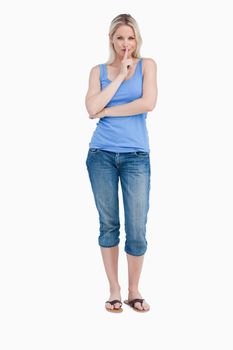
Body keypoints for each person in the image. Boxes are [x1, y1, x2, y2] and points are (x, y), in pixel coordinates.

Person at [85, 13, 158, 313]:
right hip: (101, 154)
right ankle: (114, 290)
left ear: (136, 39)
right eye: (120, 38)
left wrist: (108, 110)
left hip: (136, 156)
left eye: (130, 38)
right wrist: (118, 77)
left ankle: (133, 289)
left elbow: (148, 103)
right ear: (111, 40)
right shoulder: (99, 71)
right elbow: (91, 107)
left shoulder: (147, 66)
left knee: (137, 227)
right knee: (108, 225)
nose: (125, 44)